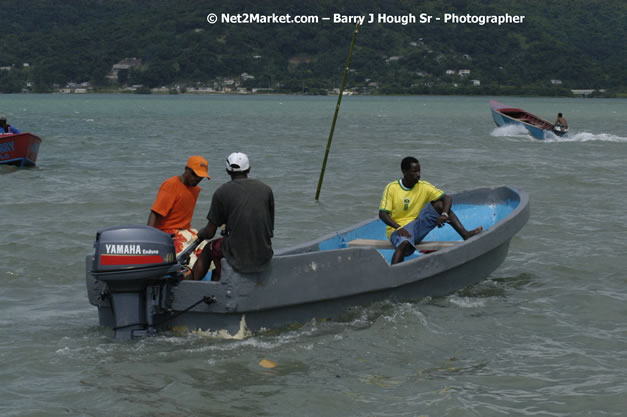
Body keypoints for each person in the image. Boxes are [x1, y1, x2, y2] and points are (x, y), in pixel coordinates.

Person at [379, 156, 482, 265]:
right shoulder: (392, 188)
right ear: (404, 171)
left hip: (418, 224)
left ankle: (465, 234)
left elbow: (447, 198)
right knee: (403, 244)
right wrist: (398, 227)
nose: (418, 174)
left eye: (419, 171)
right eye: (414, 171)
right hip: (398, 229)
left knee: (440, 204)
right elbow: (382, 214)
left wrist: (444, 214)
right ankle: (394, 275)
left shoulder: (424, 186)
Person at [192, 152, 274, 281]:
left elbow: (210, 232)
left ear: (227, 171)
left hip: (237, 253)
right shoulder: (266, 189)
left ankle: (194, 285)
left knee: (210, 248)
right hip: (264, 252)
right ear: (249, 169)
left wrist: (199, 234)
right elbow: (269, 229)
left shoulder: (221, 192)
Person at [148, 156, 210, 266]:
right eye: (195, 175)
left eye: (201, 177)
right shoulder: (171, 185)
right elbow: (155, 213)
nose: (197, 179)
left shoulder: (195, 189)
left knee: (210, 253)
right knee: (192, 262)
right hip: (168, 233)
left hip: (186, 231)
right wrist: (148, 239)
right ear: (186, 169)